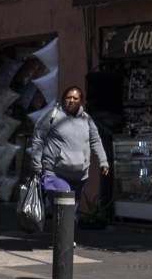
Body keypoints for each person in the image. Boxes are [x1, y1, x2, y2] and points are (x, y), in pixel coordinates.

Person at [28, 85, 110, 213]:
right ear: (63, 99)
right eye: (68, 97)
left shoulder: (87, 119)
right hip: (55, 173)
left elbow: (95, 141)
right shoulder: (52, 115)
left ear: (81, 101)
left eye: (75, 98)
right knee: (65, 208)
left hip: (79, 177)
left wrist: (103, 161)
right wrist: (36, 164)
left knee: (68, 215)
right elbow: (38, 139)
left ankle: (64, 231)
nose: (71, 100)